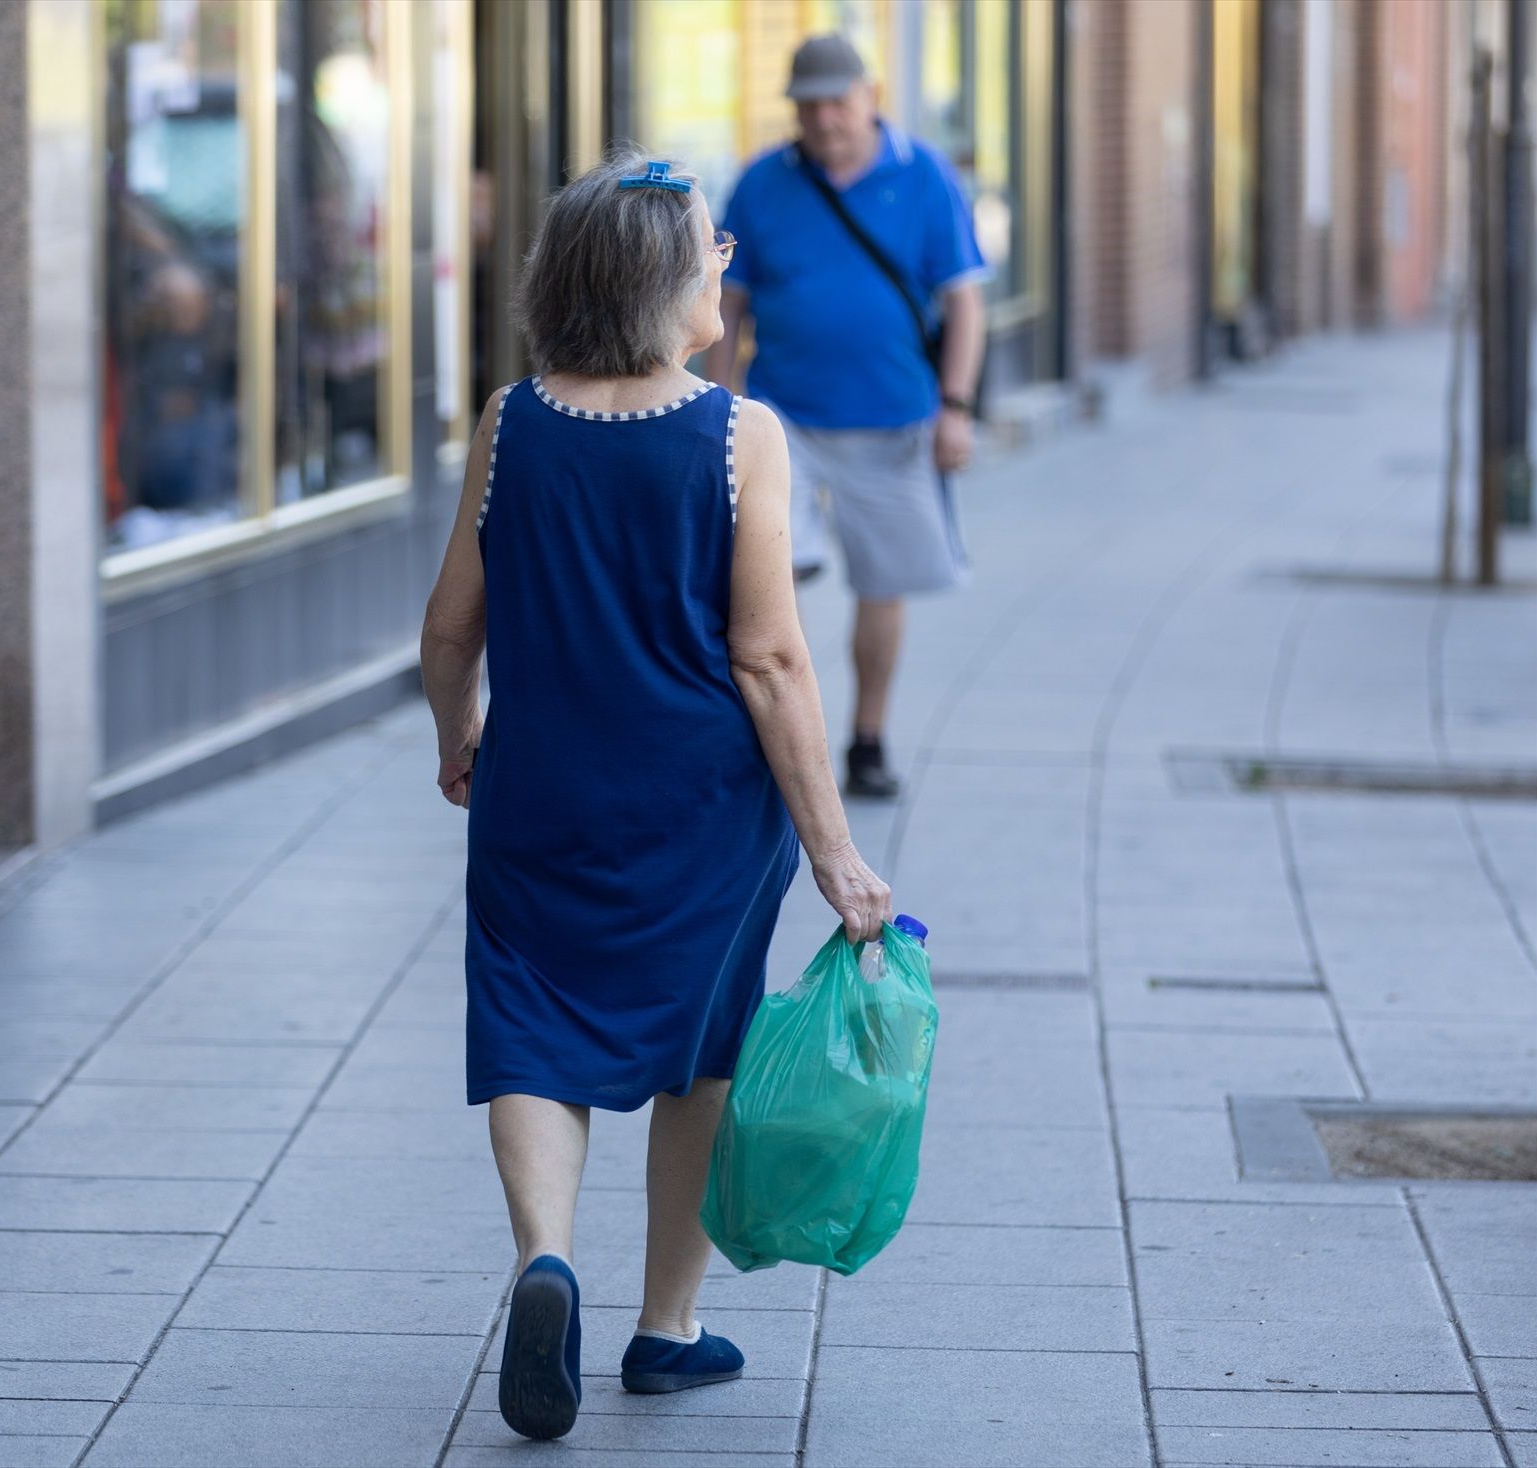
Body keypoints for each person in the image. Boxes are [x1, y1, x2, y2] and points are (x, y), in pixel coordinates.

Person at [420, 148, 891, 1442]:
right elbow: (774, 656)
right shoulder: (740, 436)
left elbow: (451, 627)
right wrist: (838, 851)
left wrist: (456, 733)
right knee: (702, 1046)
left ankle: (544, 1262)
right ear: (661, 282)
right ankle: (665, 1330)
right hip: (701, 811)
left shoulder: (511, 421)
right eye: (709, 250)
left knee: (528, 1021)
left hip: (541, 787)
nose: (725, 269)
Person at [704, 34, 989, 800]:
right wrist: (719, 405)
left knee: (881, 582)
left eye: (838, 101)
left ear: (869, 98)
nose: (824, 119)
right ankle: (779, 733)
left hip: (894, 417)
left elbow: (964, 302)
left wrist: (956, 408)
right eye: (809, 106)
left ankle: (866, 738)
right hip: (780, 417)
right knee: (767, 575)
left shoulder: (923, 175)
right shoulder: (764, 182)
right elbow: (726, 303)